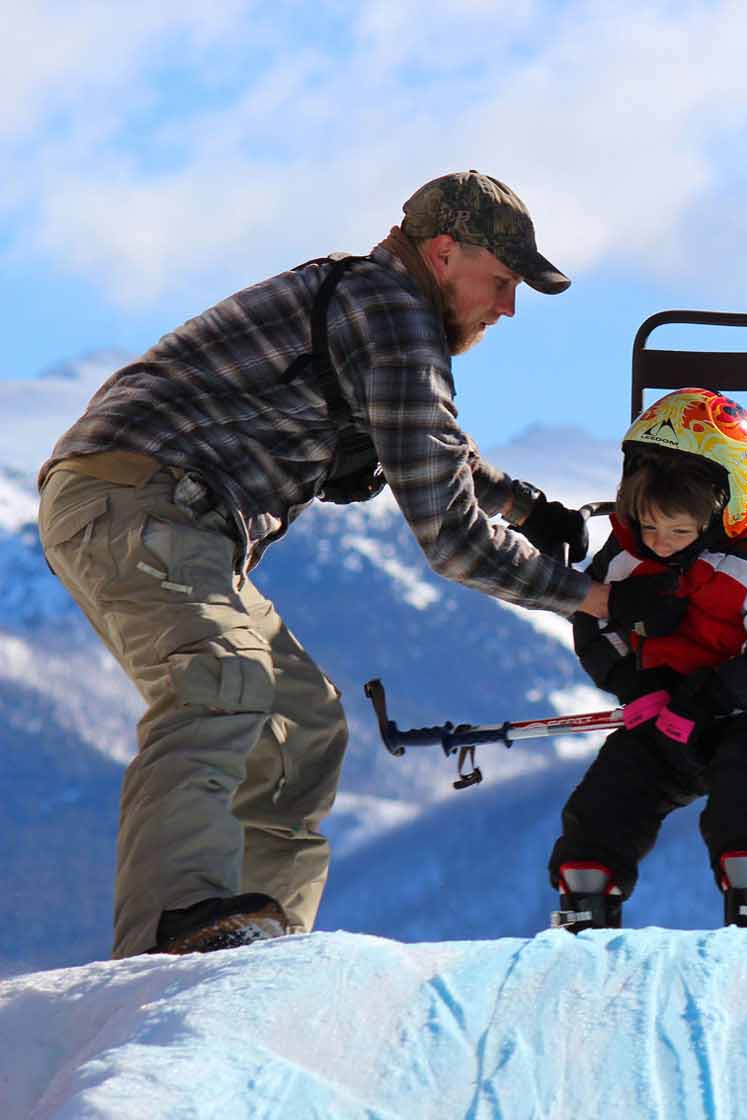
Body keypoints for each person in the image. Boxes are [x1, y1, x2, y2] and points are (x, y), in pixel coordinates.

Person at [36, 170, 613, 958]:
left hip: (170, 515)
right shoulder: (395, 316)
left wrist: (527, 508)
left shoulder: (379, 305)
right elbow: (448, 534)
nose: (507, 308)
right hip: (140, 496)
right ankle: (175, 931)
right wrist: (593, 599)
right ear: (444, 253)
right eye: (503, 282)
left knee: (301, 728)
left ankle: (258, 947)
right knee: (222, 680)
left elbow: (432, 445)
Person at [552, 387, 747, 930]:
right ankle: (587, 893)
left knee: (746, 797)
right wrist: (637, 685)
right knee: (610, 795)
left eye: (679, 530)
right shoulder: (627, 559)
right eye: (650, 525)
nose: (660, 543)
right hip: (663, 714)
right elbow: (593, 624)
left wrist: (711, 698)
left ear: (725, 503)